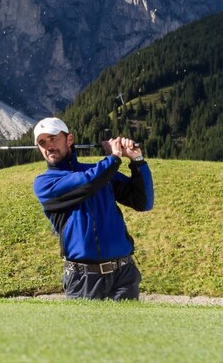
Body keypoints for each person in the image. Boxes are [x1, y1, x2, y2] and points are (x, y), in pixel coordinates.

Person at [31, 117, 154, 300]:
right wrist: (113, 157)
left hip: (123, 275)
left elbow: (142, 202)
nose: (48, 146)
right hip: (83, 279)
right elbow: (87, 183)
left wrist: (137, 160)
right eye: (42, 142)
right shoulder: (45, 183)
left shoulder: (103, 173)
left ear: (69, 139)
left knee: (129, 330)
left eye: (53, 138)